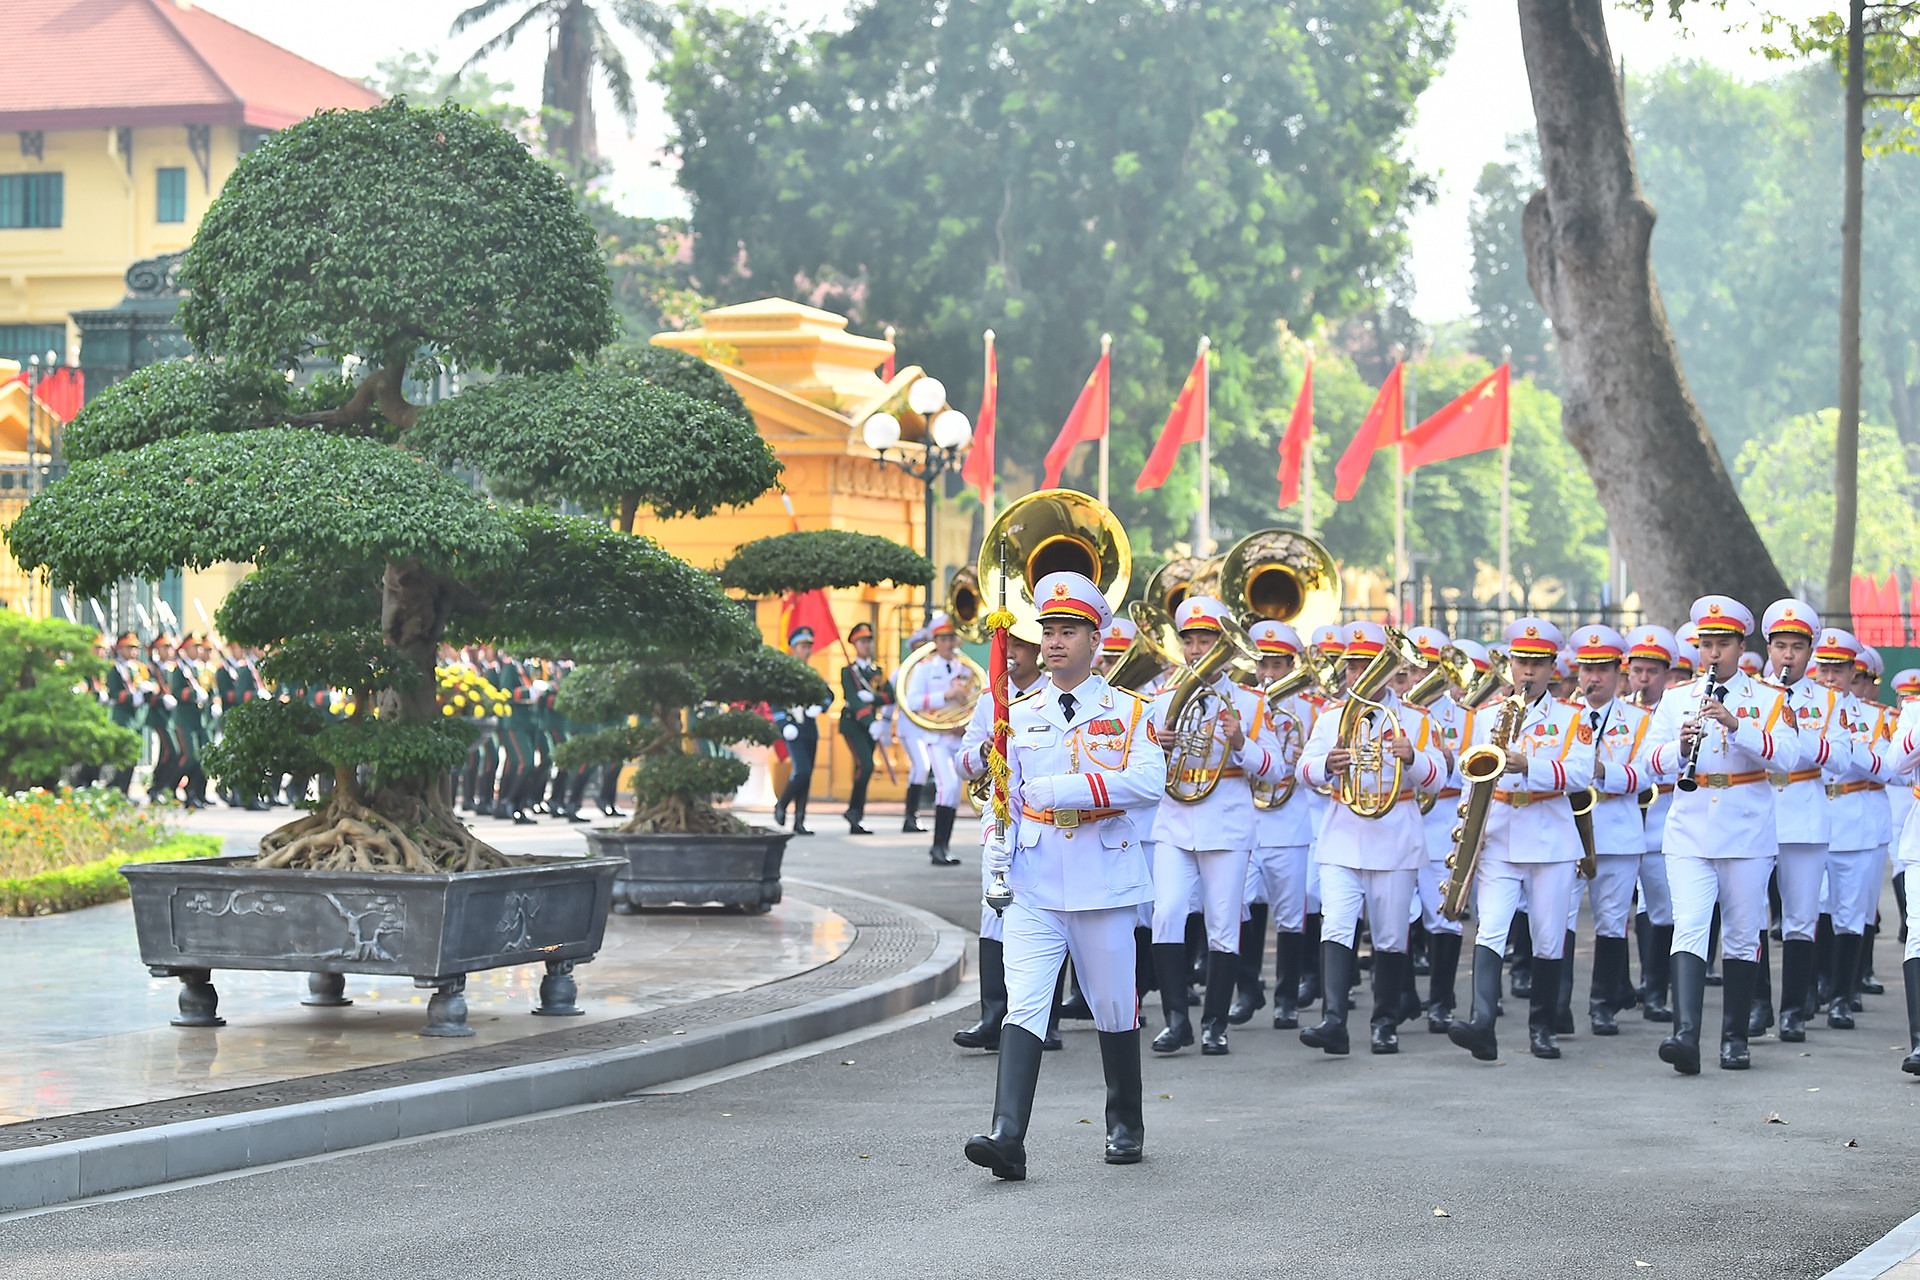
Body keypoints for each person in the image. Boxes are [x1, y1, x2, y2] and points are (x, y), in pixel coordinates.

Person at [966, 572, 1165, 1180]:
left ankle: (1125, 1122)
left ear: (1096, 638)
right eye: (1048, 630)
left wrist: (1063, 789)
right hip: (1035, 881)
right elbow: (1001, 793)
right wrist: (996, 842)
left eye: (1068, 631)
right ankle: (1007, 1136)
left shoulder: (1130, 712)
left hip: (1103, 883)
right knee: (1023, 1006)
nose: (1054, 642)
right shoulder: (1018, 713)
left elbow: (1149, 785)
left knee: (1110, 1005)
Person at [1643, 596, 1800, 1074]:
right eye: (1705, 645)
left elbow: (1789, 758)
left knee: (1740, 933)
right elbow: (1647, 761)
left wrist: (1739, 726)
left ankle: (1734, 1039)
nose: (1712, 654)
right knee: (1689, 926)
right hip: (1689, 829)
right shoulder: (1676, 699)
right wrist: (1679, 748)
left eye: (1722, 645)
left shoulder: (1771, 700)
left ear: (1741, 646)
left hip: (1746, 833)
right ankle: (1685, 1035)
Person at [1447, 618, 1596, 1063]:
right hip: (1499, 831)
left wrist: (1528, 764)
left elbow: (1583, 774)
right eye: (1520, 662)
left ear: (1553, 667)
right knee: (1491, 927)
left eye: (1536, 664)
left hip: (1550, 836)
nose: (1527, 673)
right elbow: (1465, 769)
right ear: (1509, 664)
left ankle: (1543, 1027)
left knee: (1548, 936)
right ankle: (1482, 1024)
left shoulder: (1574, 717)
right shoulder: (1487, 714)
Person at [1296, 620, 1446, 1055]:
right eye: (1352, 666)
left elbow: (1439, 779)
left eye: (1369, 664)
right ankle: (1333, 1021)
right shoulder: (1330, 718)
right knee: (1337, 925)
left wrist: (1412, 757)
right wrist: (1328, 763)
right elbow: (1304, 771)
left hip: (1395, 833)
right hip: (1344, 832)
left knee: (1390, 935)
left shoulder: (1416, 718)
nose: (1358, 674)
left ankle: (1385, 1022)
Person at [1147, 596, 1286, 1057]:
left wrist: (1241, 741)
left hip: (1225, 822)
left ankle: (1215, 1024)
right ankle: (1174, 1020)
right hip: (1174, 819)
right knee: (1166, 912)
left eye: (1205, 640)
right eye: (1189, 640)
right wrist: (1157, 746)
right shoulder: (1162, 698)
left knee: (1223, 924)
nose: (1195, 649)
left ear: (1223, 644)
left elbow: (1275, 767)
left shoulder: (1250, 699)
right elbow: (1135, 764)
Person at [955, 622, 1051, 1051]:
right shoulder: (989, 699)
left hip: (1044, 818)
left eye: (1020, 644)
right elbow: (963, 763)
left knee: (1048, 916)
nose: (1010, 651)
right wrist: (983, 750)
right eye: (1006, 643)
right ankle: (992, 1015)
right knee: (993, 912)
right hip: (1000, 817)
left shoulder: (1054, 695)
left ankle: (1044, 1021)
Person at [1760, 604, 1853, 1041]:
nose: (1788, 656)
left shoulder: (1830, 700)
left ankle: (1793, 1010)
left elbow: (1843, 757)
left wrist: (1802, 737)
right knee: (1752, 914)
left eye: (1797, 647)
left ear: (1810, 651)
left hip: (1805, 813)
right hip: (1757, 811)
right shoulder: (1752, 693)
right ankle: (1758, 1003)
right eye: (1780, 646)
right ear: (1768, 648)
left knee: (1800, 916)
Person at [1565, 624, 1653, 1036]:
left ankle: (1604, 1004)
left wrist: (1604, 772)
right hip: (1566, 830)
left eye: (1601, 669)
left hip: (1616, 827)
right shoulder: (1562, 716)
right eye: (1586, 669)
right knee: (1558, 919)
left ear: (1619, 674)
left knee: (1612, 920)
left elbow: (1649, 773)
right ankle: (1557, 1004)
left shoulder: (1639, 720)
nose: (1593, 678)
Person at [1230, 620, 1317, 1028]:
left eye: (1277, 665)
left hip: (1289, 822)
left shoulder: (1312, 709)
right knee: (1238, 906)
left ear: (1291, 665)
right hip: (1247, 819)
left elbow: (1320, 767)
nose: (1267, 674)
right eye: (1261, 664)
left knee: (1290, 914)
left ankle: (1286, 996)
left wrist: (1303, 760)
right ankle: (1248, 989)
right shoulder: (1242, 705)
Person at [1810, 630, 1888, 1028]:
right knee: (1809, 908)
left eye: (1838, 670)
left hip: (1855, 820)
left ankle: (1843, 993)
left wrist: (1848, 749)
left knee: (1850, 913)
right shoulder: (1798, 710)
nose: (1829, 677)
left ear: (1852, 672)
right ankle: (1813, 988)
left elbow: (1889, 767)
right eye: (1823, 668)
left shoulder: (1873, 719)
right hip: (1810, 815)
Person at [1418, 637, 1488, 1032]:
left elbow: (1480, 770)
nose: (1424, 677)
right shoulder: (1393, 714)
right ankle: (1399, 998)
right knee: (1393, 917)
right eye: (1417, 669)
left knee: (1443, 916)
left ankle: (1441, 1001)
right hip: (1395, 819)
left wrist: (1450, 763)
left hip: (1442, 819)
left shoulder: (1466, 717)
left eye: (1434, 669)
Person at [1625, 625, 1680, 1021]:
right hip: (1621, 822)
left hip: (1661, 821)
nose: (1643, 679)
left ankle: (1656, 988)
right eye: (1637, 670)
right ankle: (1630, 986)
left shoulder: (1676, 711)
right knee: (1622, 913)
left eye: (1652, 672)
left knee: (1661, 908)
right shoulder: (1616, 713)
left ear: (1666, 675)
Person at [901, 614, 974, 864]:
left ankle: (943, 847)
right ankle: (937, 847)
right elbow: (911, 702)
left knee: (954, 793)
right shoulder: (924, 669)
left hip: (958, 736)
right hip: (936, 736)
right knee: (949, 786)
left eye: (951, 638)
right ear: (935, 640)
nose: (948, 643)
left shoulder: (966, 667)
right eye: (943, 638)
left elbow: (975, 699)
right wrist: (945, 696)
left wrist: (964, 722)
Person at [838, 622, 893, 835]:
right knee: (866, 765)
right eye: (862, 641)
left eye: (868, 641)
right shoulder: (847, 672)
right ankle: (854, 811)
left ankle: (855, 816)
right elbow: (853, 699)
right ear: (854, 644)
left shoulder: (877, 671)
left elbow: (890, 695)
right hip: (854, 724)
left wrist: (874, 697)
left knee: (862, 769)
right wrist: (870, 723)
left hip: (873, 726)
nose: (866, 645)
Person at [773, 627, 826, 836]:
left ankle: (800, 820)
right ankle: (782, 804)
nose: (807, 650)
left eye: (809, 646)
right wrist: (784, 724)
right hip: (792, 729)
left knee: (807, 775)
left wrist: (820, 706)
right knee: (801, 770)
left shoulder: (813, 673)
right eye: (803, 646)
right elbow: (775, 701)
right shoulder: (785, 674)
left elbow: (827, 695)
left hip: (809, 729)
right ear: (793, 648)